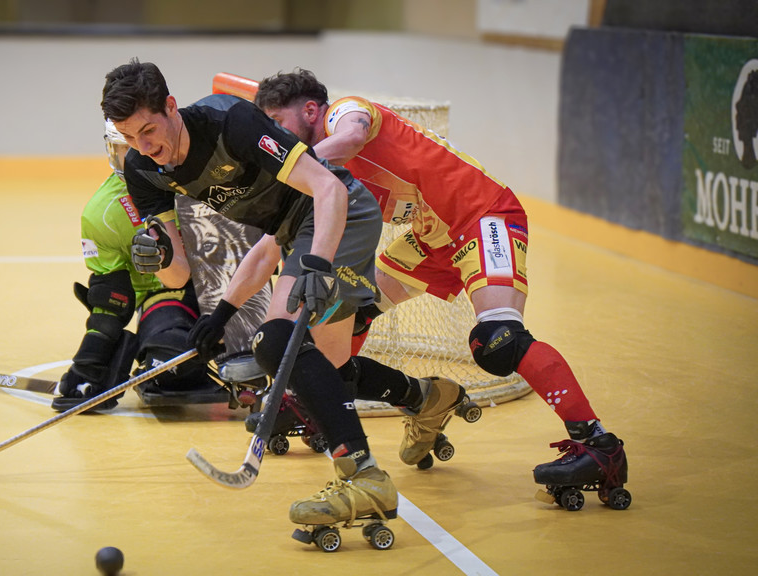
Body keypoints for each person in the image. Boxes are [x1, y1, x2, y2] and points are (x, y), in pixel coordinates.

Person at [254, 68, 629, 502]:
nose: (278, 136)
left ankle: (598, 445)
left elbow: (354, 136)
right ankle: (393, 401)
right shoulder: (328, 173)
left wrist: (292, 167)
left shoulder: (345, 113)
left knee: (499, 339)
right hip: (431, 237)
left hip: (481, 216)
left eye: (279, 122)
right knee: (348, 317)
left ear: (310, 110)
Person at [101, 59, 435, 529]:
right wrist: (172, 269)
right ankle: (427, 398)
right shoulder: (143, 168)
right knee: (329, 370)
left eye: (148, 130)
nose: (143, 146)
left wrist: (318, 265)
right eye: (129, 137)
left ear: (171, 107)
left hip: (338, 214)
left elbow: (328, 188)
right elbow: (177, 275)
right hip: (289, 232)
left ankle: (365, 479)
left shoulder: (230, 122)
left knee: (276, 341)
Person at [51, 121, 221, 412]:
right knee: (170, 359)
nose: (136, 156)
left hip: (227, 282)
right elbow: (112, 296)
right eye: (125, 148)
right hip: (166, 293)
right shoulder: (102, 214)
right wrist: (93, 356)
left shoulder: (202, 180)